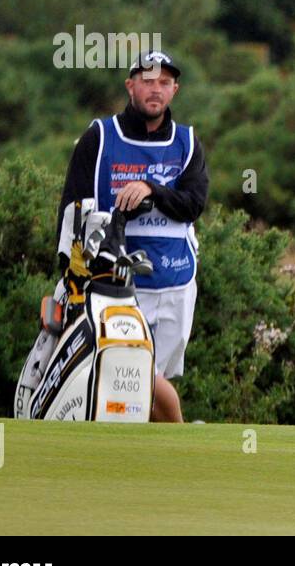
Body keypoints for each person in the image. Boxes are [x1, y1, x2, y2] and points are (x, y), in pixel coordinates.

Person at [56, 51, 208, 422]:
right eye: (147, 81)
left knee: (151, 379)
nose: (155, 89)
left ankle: (155, 459)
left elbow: (193, 204)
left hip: (174, 280)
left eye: (164, 82)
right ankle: (180, 437)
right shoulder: (100, 137)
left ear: (175, 89)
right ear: (130, 86)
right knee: (136, 373)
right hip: (111, 282)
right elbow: (74, 210)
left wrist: (151, 190)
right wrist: (71, 274)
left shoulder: (187, 142)